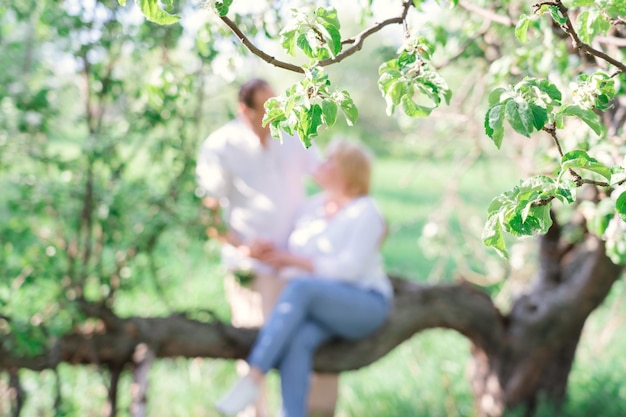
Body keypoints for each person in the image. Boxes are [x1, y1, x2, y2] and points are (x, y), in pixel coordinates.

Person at [215, 139, 394, 417]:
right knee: (298, 341)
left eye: (329, 160)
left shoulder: (366, 211)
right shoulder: (312, 208)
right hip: (322, 305)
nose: (319, 165)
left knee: (300, 288)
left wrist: (293, 261)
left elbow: (348, 269)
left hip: (365, 304)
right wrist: (272, 254)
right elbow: (294, 257)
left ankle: (254, 375)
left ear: (346, 170)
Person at [196, 78, 338, 417]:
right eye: (266, 108)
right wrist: (245, 247)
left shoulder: (294, 133)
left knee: (312, 346)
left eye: (277, 104)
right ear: (243, 110)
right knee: (254, 350)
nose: (275, 113)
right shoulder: (220, 146)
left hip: (299, 265)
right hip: (251, 269)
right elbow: (209, 218)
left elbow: (328, 181)